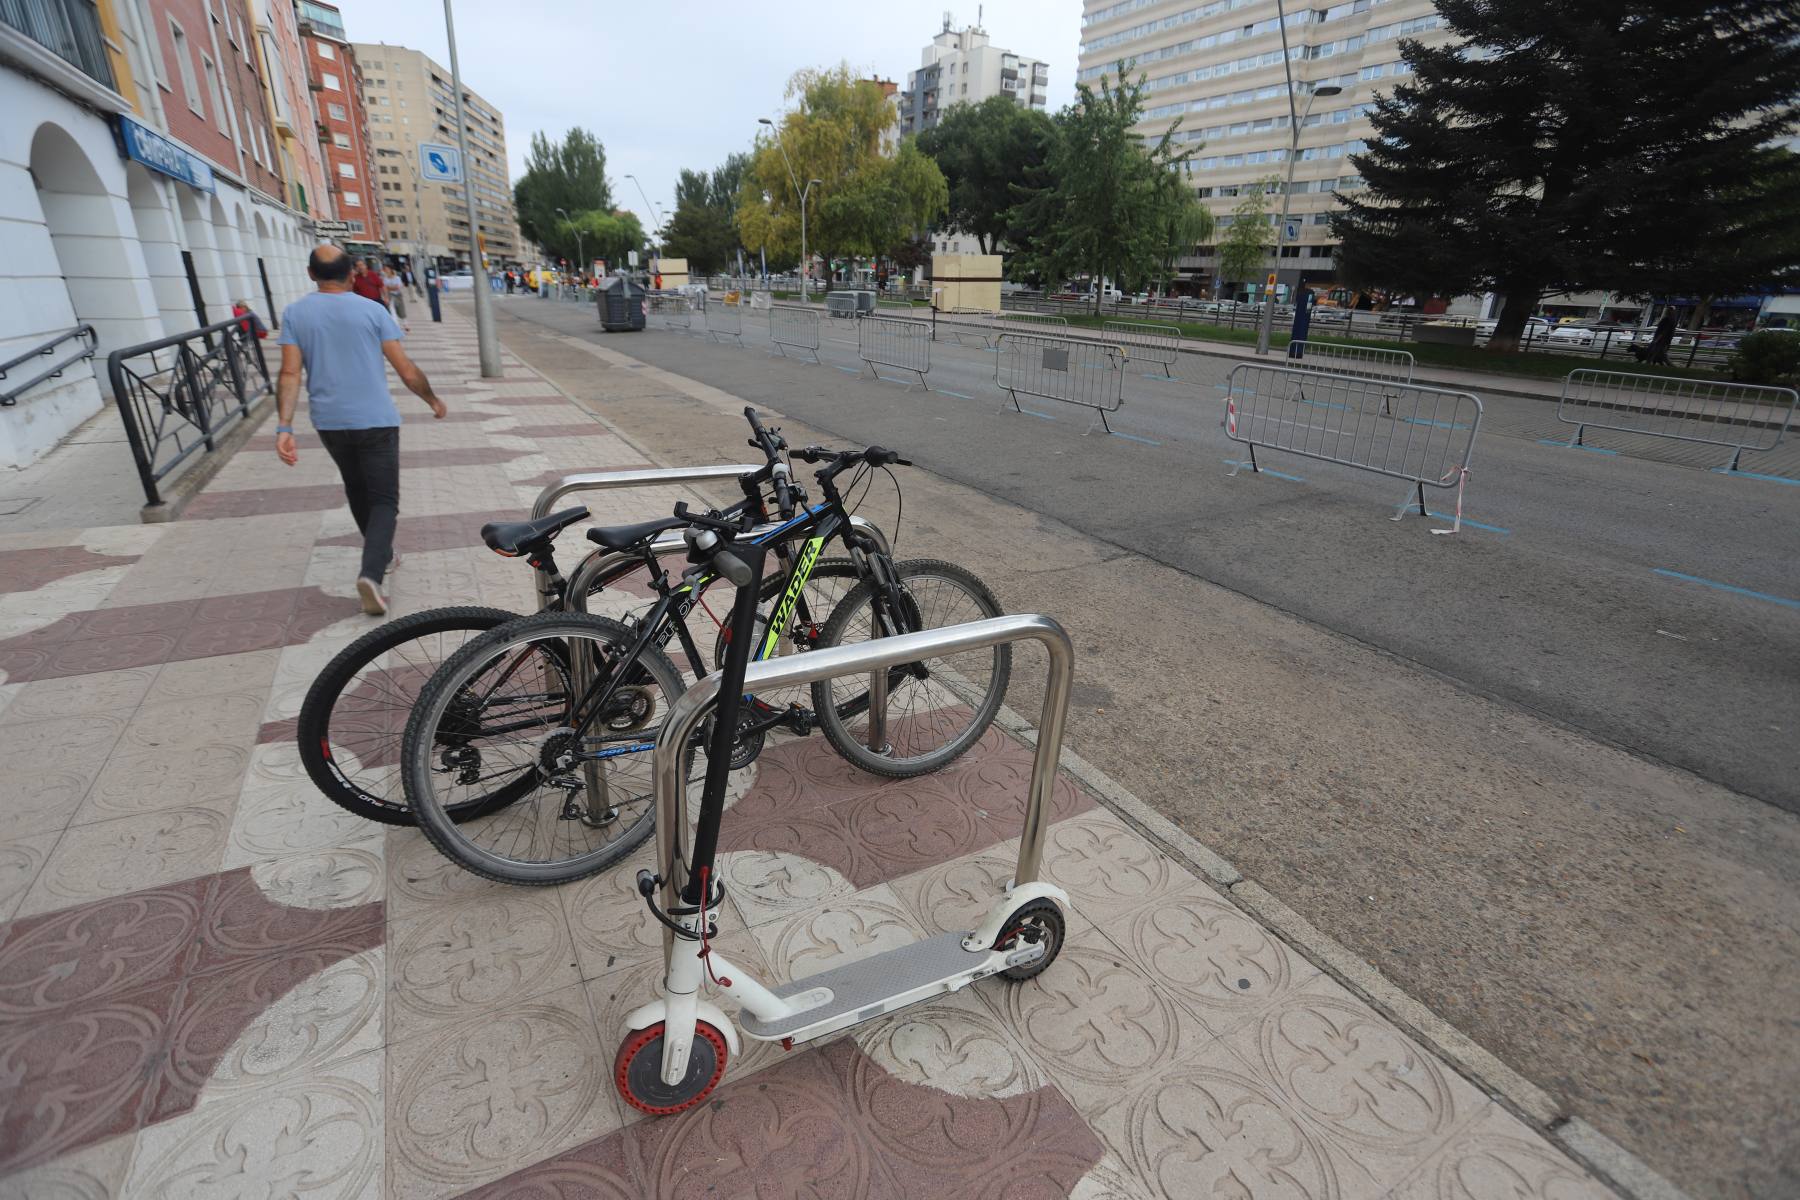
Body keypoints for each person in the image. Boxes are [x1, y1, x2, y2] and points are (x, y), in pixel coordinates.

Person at [275, 244, 446, 616]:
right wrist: (432, 400)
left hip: (329, 421)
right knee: (384, 500)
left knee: (356, 486)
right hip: (376, 420)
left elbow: (289, 373)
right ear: (352, 273)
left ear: (310, 274)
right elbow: (405, 369)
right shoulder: (372, 310)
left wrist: (284, 426)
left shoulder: (295, 314)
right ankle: (372, 573)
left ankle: (379, 557)